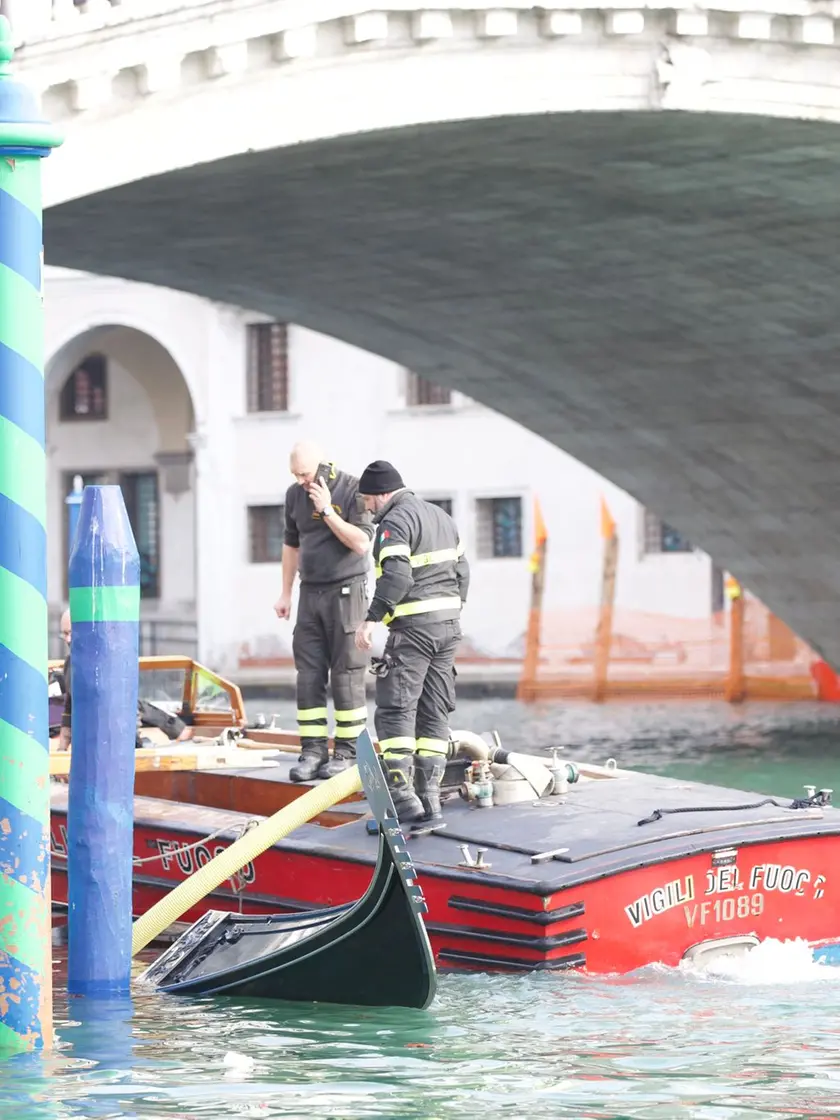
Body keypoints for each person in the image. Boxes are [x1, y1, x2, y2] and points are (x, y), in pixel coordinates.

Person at [354, 460, 469, 826]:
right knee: (434, 711)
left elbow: (398, 575)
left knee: (397, 709)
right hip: (448, 628)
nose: (368, 508)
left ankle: (403, 800)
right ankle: (430, 801)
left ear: (383, 494)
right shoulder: (441, 517)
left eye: (368, 500)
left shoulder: (395, 522)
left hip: (414, 630)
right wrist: (451, 611)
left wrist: (371, 619)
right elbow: (463, 572)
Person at [274, 441, 375, 782]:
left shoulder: (353, 490)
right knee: (308, 673)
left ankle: (347, 752)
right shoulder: (294, 495)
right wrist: (285, 593)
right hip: (310, 593)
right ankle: (313, 751)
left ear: (321, 467)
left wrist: (328, 510)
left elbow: (361, 543)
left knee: (346, 674)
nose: (301, 481)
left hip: (347, 592)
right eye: (295, 474)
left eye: (304, 474)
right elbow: (291, 545)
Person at [57, 609, 72, 752]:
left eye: (71, 633)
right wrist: (61, 750)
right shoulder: (70, 662)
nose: (68, 640)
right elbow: (69, 706)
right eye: (65, 634)